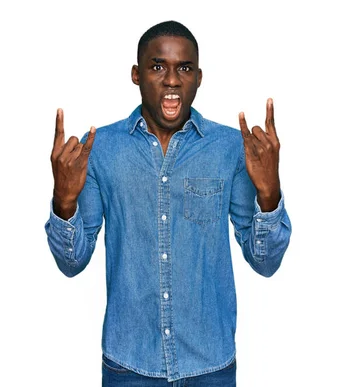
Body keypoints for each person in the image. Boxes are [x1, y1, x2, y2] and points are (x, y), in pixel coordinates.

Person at [45, 20, 292, 386]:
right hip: (128, 366)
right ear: (136, 74)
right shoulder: (100, 150)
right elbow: (72, 263)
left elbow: (266, 262)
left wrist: (269, 193)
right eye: (158, 66)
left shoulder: (230, 149)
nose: (172, 79)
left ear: (199, 77)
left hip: (210, 366)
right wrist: (64, 201)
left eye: (185, 68)